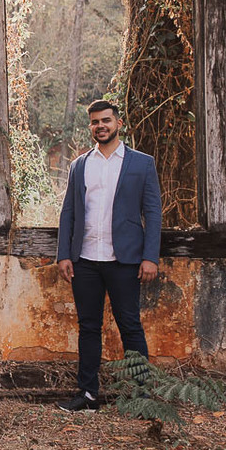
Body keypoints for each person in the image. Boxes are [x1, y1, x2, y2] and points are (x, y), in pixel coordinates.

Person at [55, 100, 160, 412]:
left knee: (130, 325)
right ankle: (88, 395)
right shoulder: (79, 165)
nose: (100, 126)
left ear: (118, 124)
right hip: (85, 260)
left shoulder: (142, 163)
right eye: (95, 122)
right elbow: (68, 212)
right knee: (88, 327)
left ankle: (142, 395)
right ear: (91, 126)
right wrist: (64, 254)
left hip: (125, 260)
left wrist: (150, 257)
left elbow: (153, 213)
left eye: (106, 120)